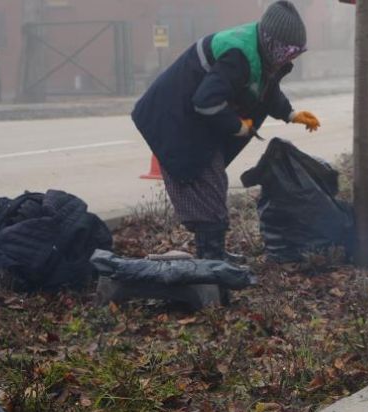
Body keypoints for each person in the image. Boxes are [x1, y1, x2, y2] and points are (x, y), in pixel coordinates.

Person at [132, 0, 321, 261]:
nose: (291, 59)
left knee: (213, 184)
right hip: (174, 119)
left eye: (296, 54)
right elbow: (205, 101)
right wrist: (237, 126)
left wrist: (290, 114)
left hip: (193, 123)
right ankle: (211, 260)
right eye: (289, 52)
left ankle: (214, 254)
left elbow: (264, 88)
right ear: (273, 42)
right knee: (205, 186)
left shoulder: (262, 53)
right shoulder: (239, 55)